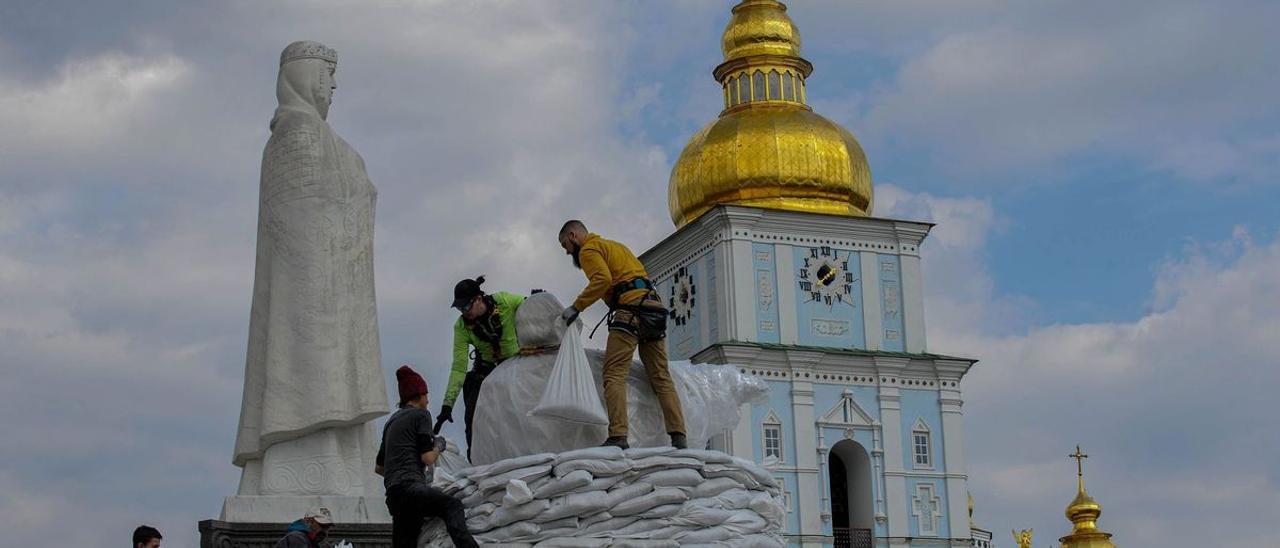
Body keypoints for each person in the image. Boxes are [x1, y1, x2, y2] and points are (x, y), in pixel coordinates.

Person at [558, 220, 687, 450]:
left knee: (614, 373)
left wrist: (576, 307)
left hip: (631, 310)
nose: (567, 251)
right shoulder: (616, 246)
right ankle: (679, 436)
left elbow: (602, 279)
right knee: (660, 376)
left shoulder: (589, 249)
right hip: (653, 309)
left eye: (565, 244)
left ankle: (618, 435)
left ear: (573, 234)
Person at [377, 365, 478, 548]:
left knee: (405, 542)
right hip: (412, 489)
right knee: (452, 506)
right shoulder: (421, 415)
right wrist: (439, 445)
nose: (428, 400)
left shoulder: (391, 422)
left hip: (393, 496)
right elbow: (428, 458)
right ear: (419, 395)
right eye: (426, 395)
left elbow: (380, 468)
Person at [436, 276, 526, 457]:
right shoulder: (461, 327)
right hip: (487, 370)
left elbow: (531, 306)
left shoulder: (504, 301)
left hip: (515, 364)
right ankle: (475, 459)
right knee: (472, 414)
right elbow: (459, 368)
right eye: (460, 308)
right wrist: (447, 406)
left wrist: (539, 300)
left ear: (478, 299)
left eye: (466, 306)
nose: (463, 312)